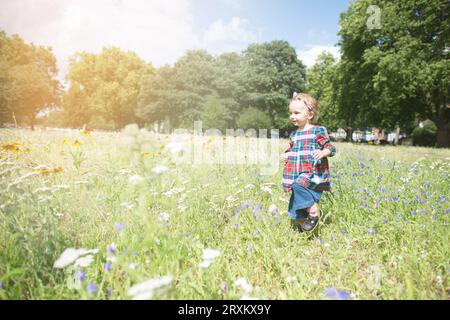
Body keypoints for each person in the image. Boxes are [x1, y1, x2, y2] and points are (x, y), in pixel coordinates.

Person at [281, 92, 336, 232]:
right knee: (295, 204)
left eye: (297, 113)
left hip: (313, 173)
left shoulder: (317, 130)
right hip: (297, 173)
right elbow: (292, 149)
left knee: (299, 186)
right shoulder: (294, 134)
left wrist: (323, 152)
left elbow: (330, 147)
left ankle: (313, 214)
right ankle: (302, 229)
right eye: (291, 113)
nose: (292, 116)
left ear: (309, 115)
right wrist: (287, 155)